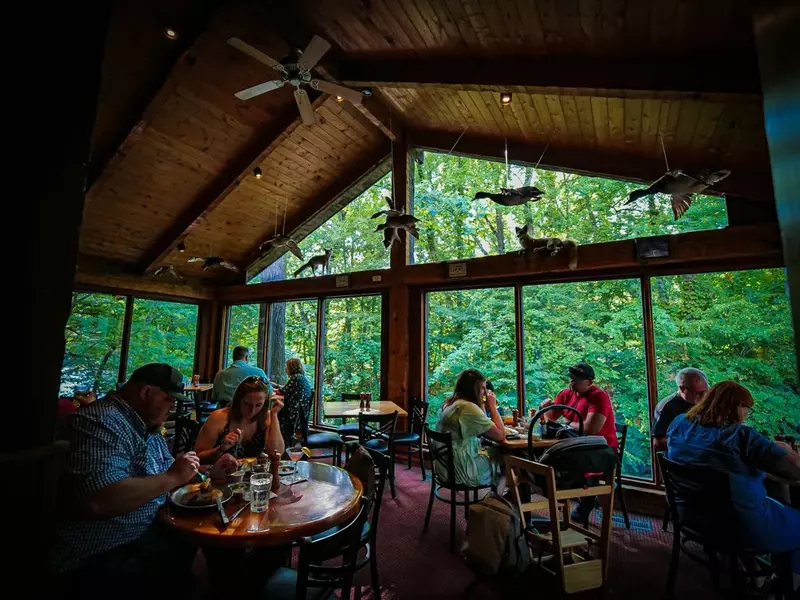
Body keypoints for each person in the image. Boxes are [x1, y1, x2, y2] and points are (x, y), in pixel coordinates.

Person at [54, 363, 201, 597]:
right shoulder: (102, 420)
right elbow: (102, 498)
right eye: (168, 400)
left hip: (152, 532)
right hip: (105, 552)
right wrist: (172, 477)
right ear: (145, 393)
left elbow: (169, 471)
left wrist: (207, 475)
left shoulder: (144, 423)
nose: (172, 407)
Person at [667, 381, 800, 578]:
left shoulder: (678, 423)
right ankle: (787, 582)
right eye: (746, 408)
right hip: (738, 526)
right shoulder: (740, 436)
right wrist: (786, 450)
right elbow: (795, 471)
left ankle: (762, 577)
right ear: (737, 407)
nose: (746, 413)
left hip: (692, 517)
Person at [540, 362, 618, 524]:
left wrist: (567, 423)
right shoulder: (565, 394)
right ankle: (551, 490)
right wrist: (545, 408)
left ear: (589, 382)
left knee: (564, 462)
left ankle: (582, 498)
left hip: (600, 449)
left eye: (577, 379)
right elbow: (551, 420)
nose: (572, 382)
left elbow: (591, 429)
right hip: (574, 446)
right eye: (571, 378)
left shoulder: (598, 396)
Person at [435, 369, 505, 487]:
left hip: (445, 466)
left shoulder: (452, 404)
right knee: (507, 457)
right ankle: (500, 498)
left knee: (492, 451)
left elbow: (482, 428)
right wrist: (492, 406)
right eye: (483, 388)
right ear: (473, 389)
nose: (485, 392)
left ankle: (501, 497)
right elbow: (500, 435)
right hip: (462, 470)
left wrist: (482, 402)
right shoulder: (467, 408)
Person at [195, 375, 285, 463]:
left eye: (258, 405)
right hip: (219, 475)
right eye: (247, 404)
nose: (252, 410)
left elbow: (277, 452)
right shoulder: (219, 417)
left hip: (252, 475)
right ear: (238, 400)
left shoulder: (266, 417)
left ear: (265, 403)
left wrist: (274, 415)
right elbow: (198, 457)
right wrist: (221, 449)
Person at [652, 367, 709, 451]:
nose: (704, 396)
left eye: (706, 391)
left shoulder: (707, 400)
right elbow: (658, 443)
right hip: (683, 458)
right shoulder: (667, 407)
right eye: (698, 393)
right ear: (682, 389)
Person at [277, 357, 313, 447]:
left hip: (294, 414)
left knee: (273, 414)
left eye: (287, 367)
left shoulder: (295, 378)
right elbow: (286, 389)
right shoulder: (300, 377)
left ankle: (279, 445)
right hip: (301, 412)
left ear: (292, 368)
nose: (285, 369)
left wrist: (271, 387)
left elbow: (282, 391)